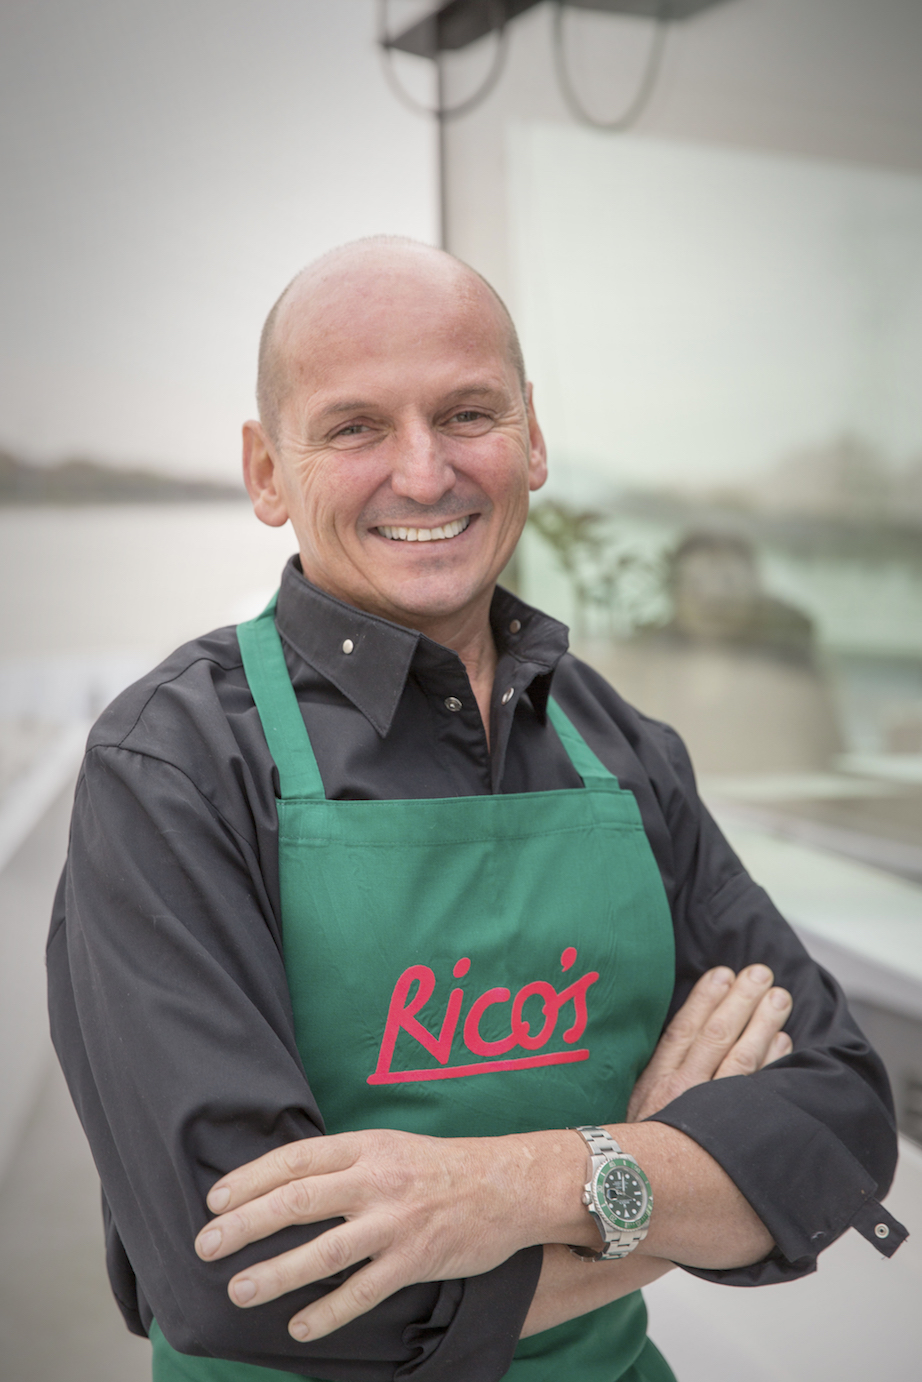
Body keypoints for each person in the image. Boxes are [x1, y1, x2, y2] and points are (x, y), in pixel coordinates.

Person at [48, 238, 905, 1382]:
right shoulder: (174, 764)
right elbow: (254, 1280)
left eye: (466, 414)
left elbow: (837, 1121)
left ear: (531, 436)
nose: (422, 473)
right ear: (266, 472)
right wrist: (659, 1182)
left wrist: (517, 1185)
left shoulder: (621, 744)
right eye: (355, 427)